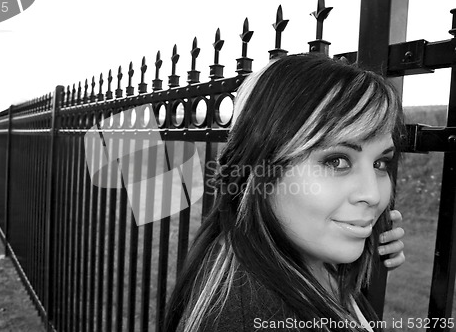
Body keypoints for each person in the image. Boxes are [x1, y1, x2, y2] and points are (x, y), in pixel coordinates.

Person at [164, 53, 406, 332]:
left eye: (380, 163)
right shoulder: (251, 316)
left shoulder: (254, 258)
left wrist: (359, 264)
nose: (373, 195)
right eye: (336, 161)